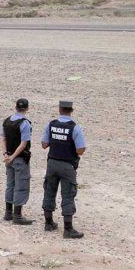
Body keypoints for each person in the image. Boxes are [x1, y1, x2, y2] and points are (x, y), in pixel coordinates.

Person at [41, 100, 86, 239]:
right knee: (68, 194)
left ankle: (48, 222)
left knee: (49, 191)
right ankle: (68, 228)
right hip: (67, 165)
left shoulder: (51, 125)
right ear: (71, 110)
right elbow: (80, 150)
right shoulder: (75, 128)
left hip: (52, 163)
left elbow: (44, 144)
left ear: (60, 109)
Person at [1, 98, 33, 225]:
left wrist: (6, 155)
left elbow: (3, 139)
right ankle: (17, 215)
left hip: (8, 158)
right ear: (27, 108)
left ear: (15, 107)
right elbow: (23, 144)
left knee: (10, 184)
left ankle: (8, 212)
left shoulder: (6, 121)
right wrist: (14, 156)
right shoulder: (25, 124)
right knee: (21, 186)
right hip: (19, 159)